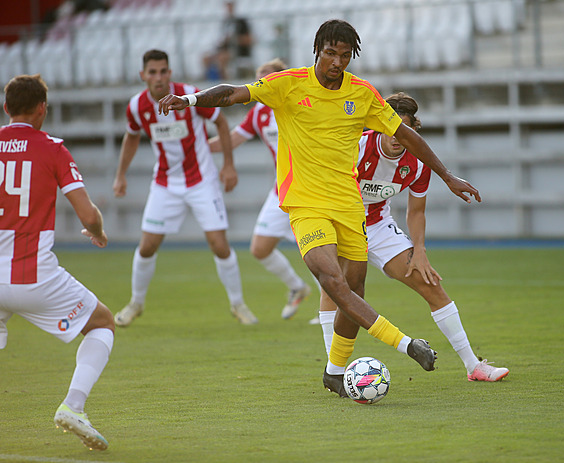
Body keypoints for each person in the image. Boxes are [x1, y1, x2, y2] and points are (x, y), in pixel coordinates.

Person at [157, 19, 481, 398]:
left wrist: (447, 176)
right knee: (335, 283)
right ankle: (407, 344)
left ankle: (333, 372)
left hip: (348, 204)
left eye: (345, 56)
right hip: (305, 204)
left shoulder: (361, 94)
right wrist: (190, 99)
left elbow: (405, 135)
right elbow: (233, 93)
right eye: (331, 53)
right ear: (317, 50)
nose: (337, 62)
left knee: (355, 285)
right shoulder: (288, 83)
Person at [317, 92, 509, 382]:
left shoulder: (418, 164)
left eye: (403, 130)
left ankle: (474, 366)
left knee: (429, 282)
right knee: (335, 287)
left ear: (412, 130)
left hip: (378, 226)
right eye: (390, 128)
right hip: (338, 221)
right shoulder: (357, 146)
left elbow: (416, 211)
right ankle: (336, 372)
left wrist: (419, 249)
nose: (396, 137)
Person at [0, 74, 114, 449]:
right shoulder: (52, 148)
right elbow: (86, 213)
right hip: (33, 276)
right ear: (42, 109)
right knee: (102, 322)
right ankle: (74, 406)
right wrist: (96, 231)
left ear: (6, 108)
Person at [113, 49, 257, 327]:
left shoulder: (189, 95)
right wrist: (120, 175)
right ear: (142, 75)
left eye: (163, 71)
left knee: (219, 245)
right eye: (152, 72)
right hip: (165, 183)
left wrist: (228, 164)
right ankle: (136, 303)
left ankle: (238, 305)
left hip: (202, 180)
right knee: (146, 247)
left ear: (170, 72)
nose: (158, 77)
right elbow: (131, 137)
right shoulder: (136, 106)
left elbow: (221, 122)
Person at [208, 58, 312, 319]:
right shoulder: (259, 113)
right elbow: (231, 139)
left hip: (312, 190)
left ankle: (333, 308)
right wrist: (196, 145)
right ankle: (298, 288)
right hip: (282, 190)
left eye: (267, 78)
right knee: (260, 249)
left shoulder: (301, 103)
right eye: (259, 79)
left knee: (317, 251)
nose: (261, 84)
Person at [203, 1, 253, 80]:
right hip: (225, 49)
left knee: (222, 58)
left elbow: (250, 39)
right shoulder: (225, 22)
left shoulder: (241, 22)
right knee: (206, 57)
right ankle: (208, 80)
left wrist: (233, 39)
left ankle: (225, 81)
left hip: (239, 51)